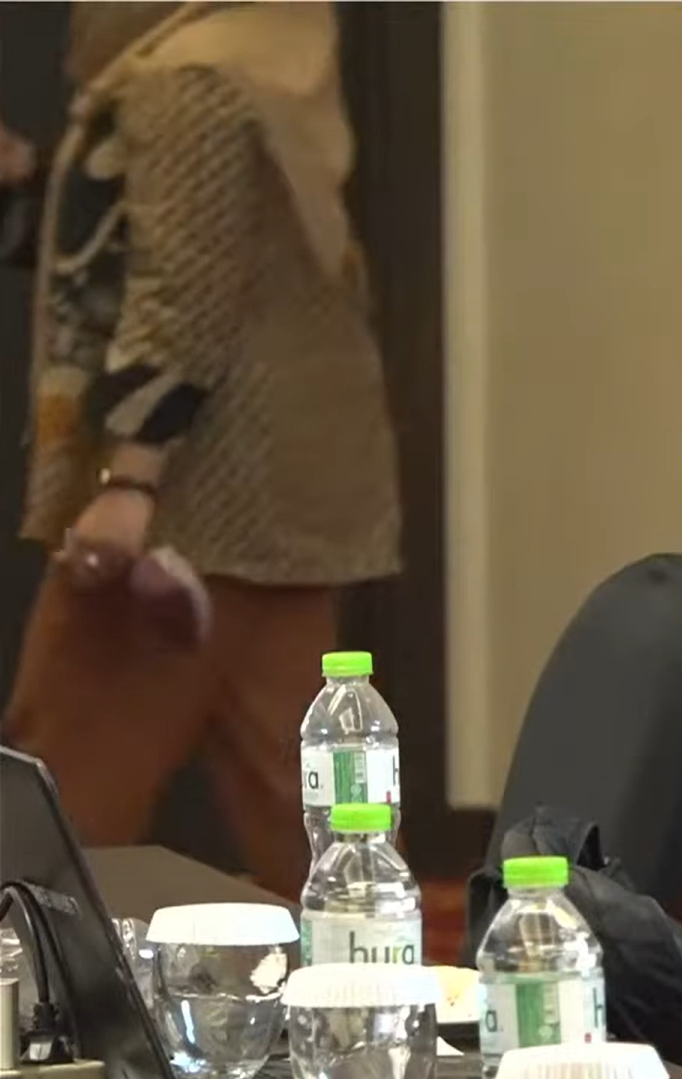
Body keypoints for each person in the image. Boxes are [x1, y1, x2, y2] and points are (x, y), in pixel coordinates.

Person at [0, 2, 400, 900]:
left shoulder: (189, 79)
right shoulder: (258, 49)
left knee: (47, 812)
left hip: (183, 508)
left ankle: (22, 985)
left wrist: (127, 481)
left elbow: (180, 299)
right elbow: (158, 243)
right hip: (271, 513)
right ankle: (378, 972)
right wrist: (30, 179)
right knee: (322, 818)